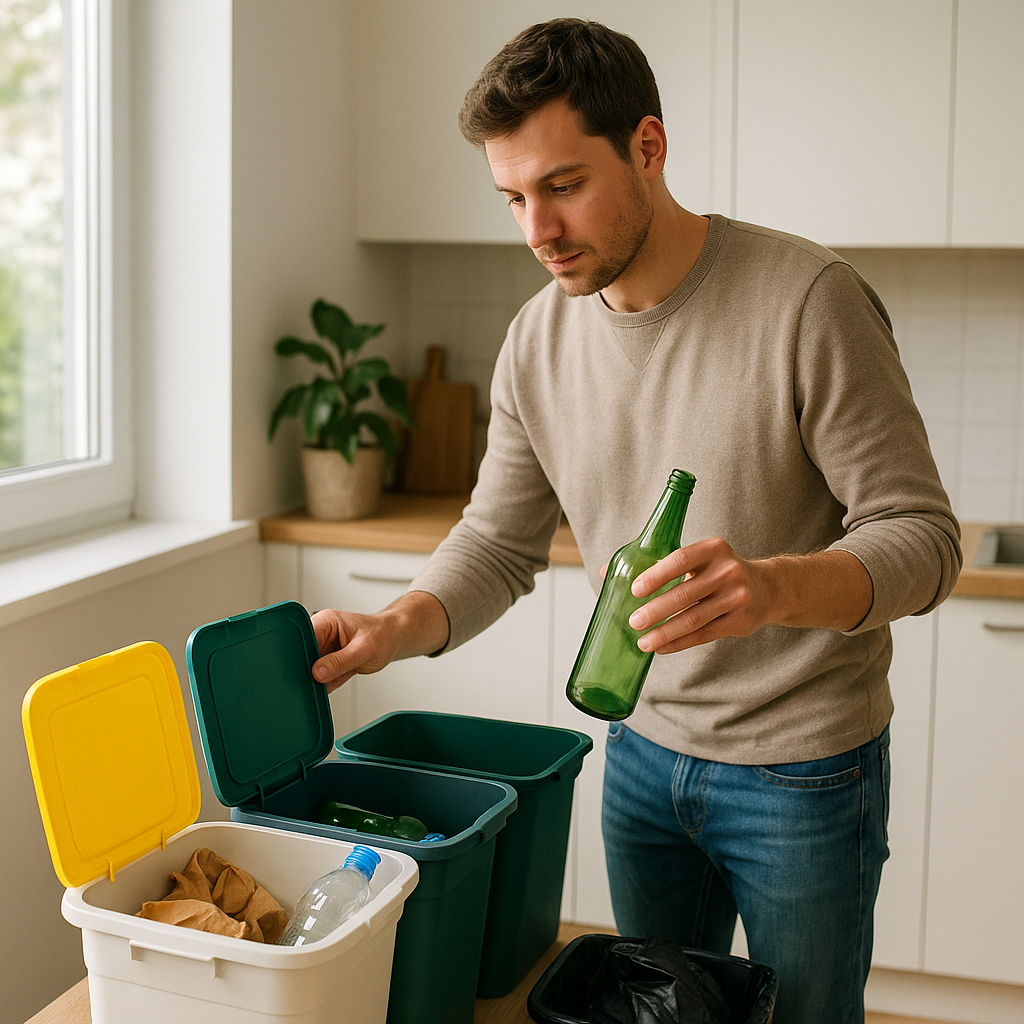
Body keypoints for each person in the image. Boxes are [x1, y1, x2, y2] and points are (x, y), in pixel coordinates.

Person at [310, 19, 961, 1024]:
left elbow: (920, 535)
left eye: (563, 185)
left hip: (804, 769)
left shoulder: (806, 301)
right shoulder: (537, 339)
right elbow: (496, 540)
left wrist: (771, 586)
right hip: (641, 758)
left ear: (647, 149)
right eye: (514, 198)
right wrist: (397, 625)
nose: (537, 229)